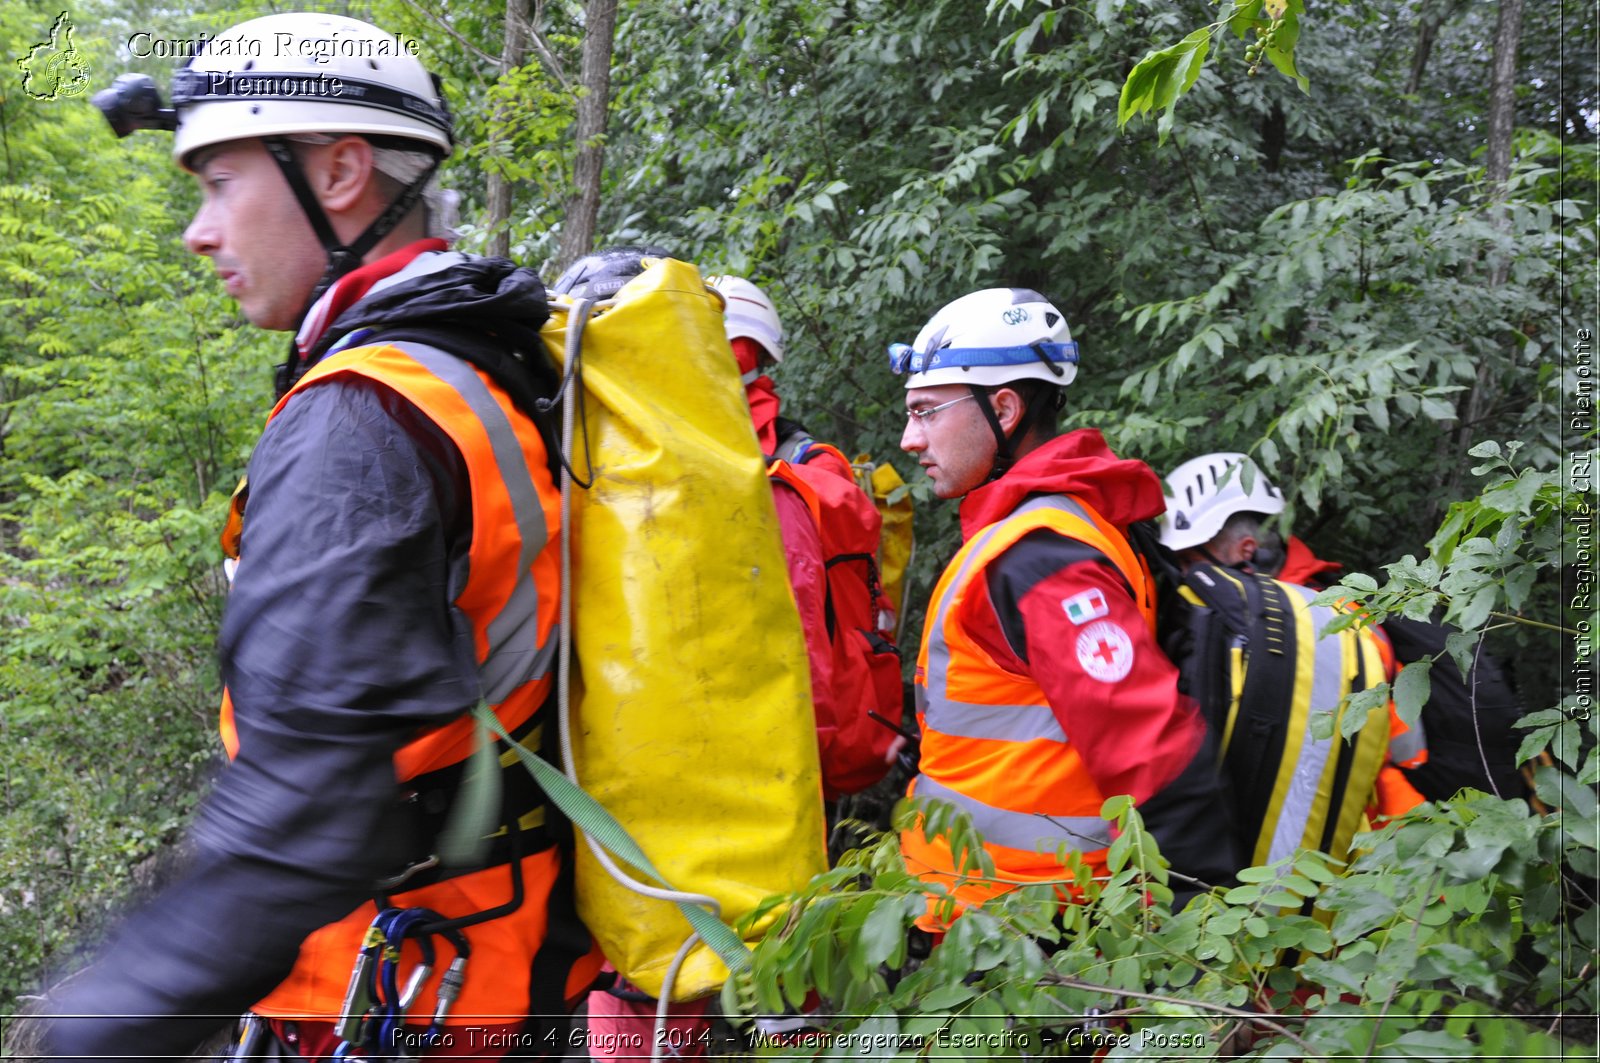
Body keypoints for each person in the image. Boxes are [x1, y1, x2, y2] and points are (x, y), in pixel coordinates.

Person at [48, 13, 599, 1059]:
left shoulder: (360, 418)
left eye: (217, 183)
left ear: (341, 169)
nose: (197, 231)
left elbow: (313, 803)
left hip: (405, 988)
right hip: (503, 952)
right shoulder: (478, 362)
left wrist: (102, 1026)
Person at [888, 287, 1236, 921]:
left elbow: (1153, 750)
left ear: (1005, 407)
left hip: (1034, 939)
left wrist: (1198, 950)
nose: (911, 438)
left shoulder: (1041, 556)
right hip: (1001, 918)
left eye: (927, 411)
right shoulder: (1054, 526)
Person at [1158, 452, 1419, 861]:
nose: (1186, 579)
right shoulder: (1350, 619)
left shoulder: (1326, 628)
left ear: (1247, 550)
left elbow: (1400, 760)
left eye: (1190, 562)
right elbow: (1408, 754)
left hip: (1323, 865)